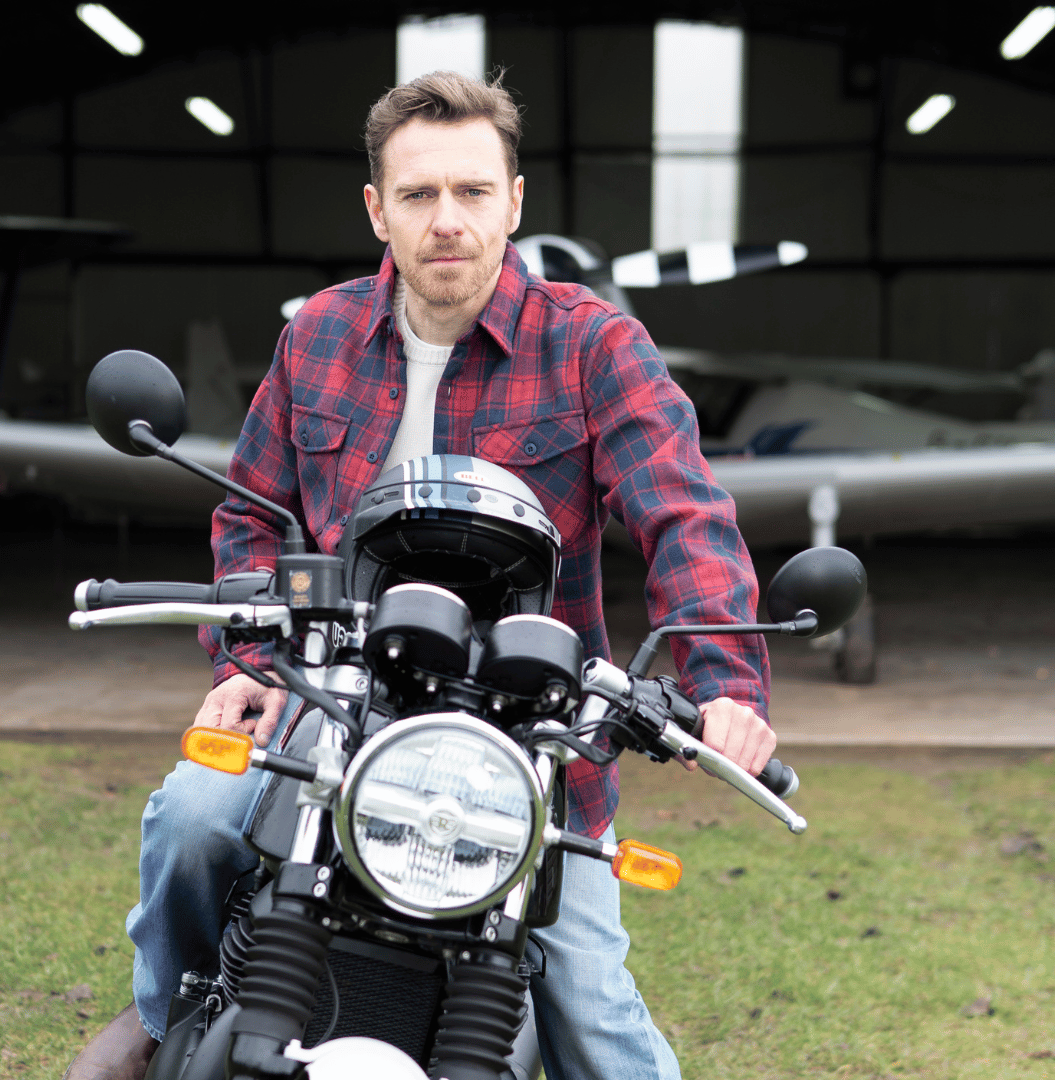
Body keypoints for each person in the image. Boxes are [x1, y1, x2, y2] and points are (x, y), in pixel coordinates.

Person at [66, 71, 774, 1080]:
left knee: (594, 1014)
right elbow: (251, 512)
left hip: (528, 730)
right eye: (420, 195)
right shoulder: (316, 337)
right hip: (336, 696)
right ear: (378, 209)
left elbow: (684, 514)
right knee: (190, 822)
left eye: (474, 192)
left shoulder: (593, 344)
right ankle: (165, 1017)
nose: (449, 221)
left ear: (514, 201)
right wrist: (253, 663)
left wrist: (722, 690)